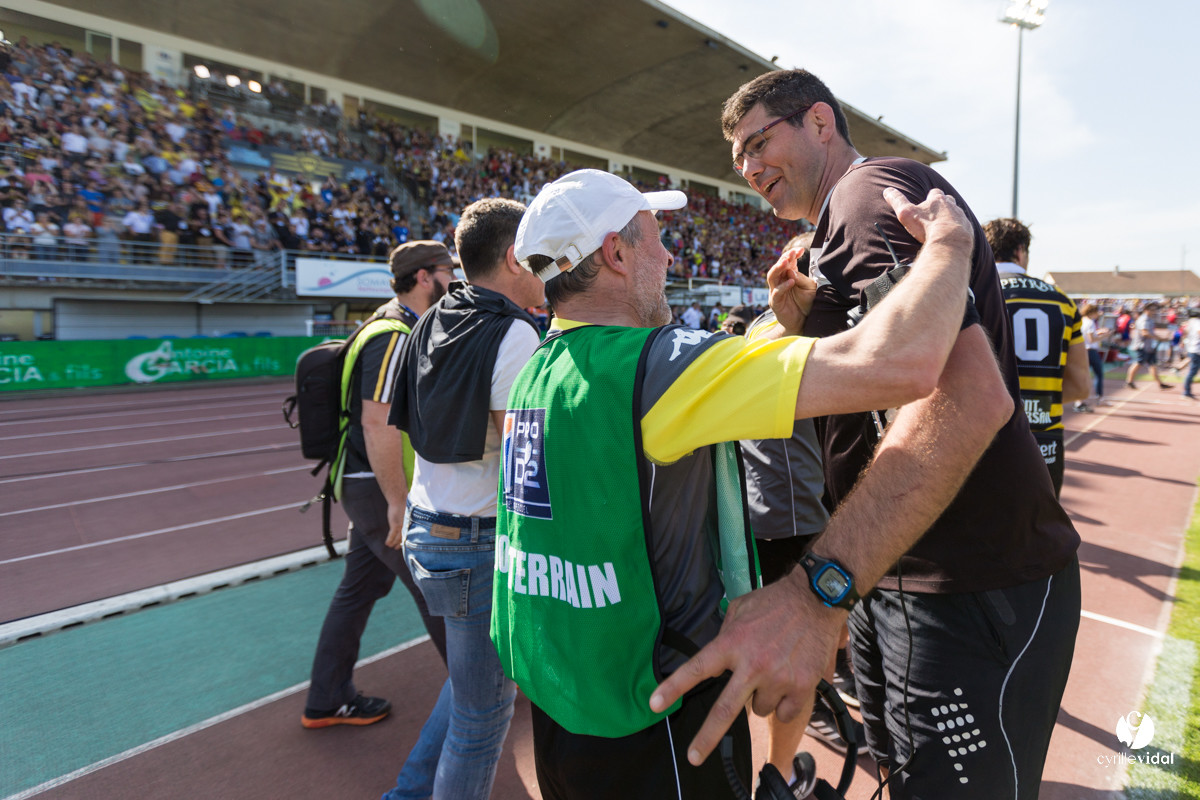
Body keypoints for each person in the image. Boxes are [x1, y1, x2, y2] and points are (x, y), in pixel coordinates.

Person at [653, 70, 1081, 800]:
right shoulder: (827, 233)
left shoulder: (865, 196)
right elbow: (878, 381)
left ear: (820, 122)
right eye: (738, 159)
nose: (750, 168)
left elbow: (966, 399)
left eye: (760, 142)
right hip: (906, 574)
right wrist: (803, 321)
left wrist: (820, 590)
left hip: (969, 580)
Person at [494, 167, 978, 799]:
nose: (668, 255)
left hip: (565, 706)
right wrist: (950, 245)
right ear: (615, 252)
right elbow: (907, 363)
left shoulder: (539, 364)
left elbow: (693, 383)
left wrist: (780, 328)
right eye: (654, 236)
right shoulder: (654, 366)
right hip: (657, 724)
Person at [383, 199, 544, 799]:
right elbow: (524, 460)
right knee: (483, 720)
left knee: (470, 687)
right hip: (477, 539)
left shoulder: (431, 316)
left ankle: (406, 793)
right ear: (513, 256)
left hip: (430, 528)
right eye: (538, 255)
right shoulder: (515, 333)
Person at [300, 241, 452, 730]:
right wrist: (397, 502)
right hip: (375, 488)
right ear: (426, 277)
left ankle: (326, 698)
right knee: (436, 589)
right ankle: (480, 690)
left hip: (364, 482)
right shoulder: (393, 336)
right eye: (450, 272)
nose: (457, 282)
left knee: (358, 589)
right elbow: (378, 421)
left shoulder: (388, 324)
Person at [985, 217, 1089, 495]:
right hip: (1044, 437)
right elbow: (1081, 386)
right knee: (1042, 534)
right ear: (1020, 250)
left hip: (986, 435)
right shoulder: (1063, 301)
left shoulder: (972, 294)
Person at [1125, 302, 1172, 390]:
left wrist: (1158, 337)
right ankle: (1129, 381)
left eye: (1155, 310)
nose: (1154, 312)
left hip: (1149, 346)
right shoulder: (1144, 319)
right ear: (1146, 310)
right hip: (1142, 346)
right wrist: (1159, 338)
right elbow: (1145, 333)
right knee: (1138, 363)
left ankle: (1160, 383)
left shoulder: (1149, 319)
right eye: (1152, 310)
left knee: (1152, 364)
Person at [1080, 303, 1111, 406]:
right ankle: (1099, 397)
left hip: (1083, 350)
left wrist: (1099, 332)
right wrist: (1105, 335)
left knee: (1084, 376)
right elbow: (1091, 339)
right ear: (1092, 312)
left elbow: (1089, 335)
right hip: (1090, 351)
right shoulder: (1090, 322)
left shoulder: (1082, 320)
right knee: (1098, 374)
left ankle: (1079, 400)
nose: (1098, 314)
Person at [1182, 308, 1200, 399]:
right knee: (1193, 371)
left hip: (1192, 348)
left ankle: (1187, 390)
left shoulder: (1189, 322)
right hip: (1196, 349)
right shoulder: (1196, 322)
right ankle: (1186, 391)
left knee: (1193, 370)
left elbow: (1185, 333)